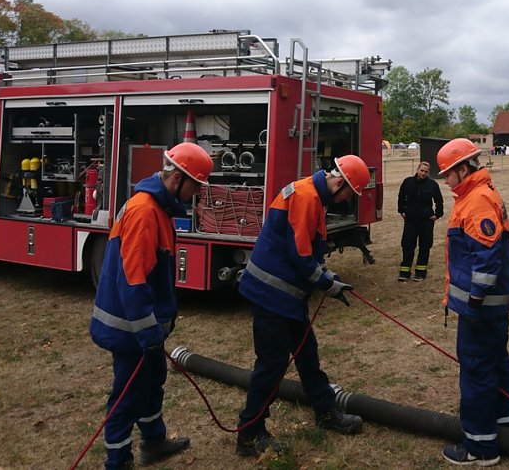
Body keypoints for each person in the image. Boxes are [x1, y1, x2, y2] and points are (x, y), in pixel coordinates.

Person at [236, 155, 370, 457]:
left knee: (307, 354)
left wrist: (326, 274)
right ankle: (249, 433)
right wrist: (326, 284)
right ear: (341, 182)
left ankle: (324, 411)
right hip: (271, 296)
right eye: (350, 193)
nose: (348, 200)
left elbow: (305, 248)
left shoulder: (311, 192)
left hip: (287, 298)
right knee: (271, 365)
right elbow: (299, 256)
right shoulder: (307, 196)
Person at [89, 142, 213, 469]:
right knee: (126, 396)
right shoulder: (145, 211)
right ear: (177, 180)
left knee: (152, 380)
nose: (195, 193)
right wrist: (148, 333)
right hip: (130, 328)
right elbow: (134, 280)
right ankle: (117, 461)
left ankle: (154, 441)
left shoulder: (158, 207)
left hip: (143, 328)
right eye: (195, 187)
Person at [436, 138, 509, 466]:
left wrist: (473, 303)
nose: (445, 180)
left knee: (476, 368)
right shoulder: (474, 195)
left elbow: (486, 260)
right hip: (488, 306)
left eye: (447, 174)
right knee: (495, 362)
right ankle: (503, 424)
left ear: (463, 168)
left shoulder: (478, 199)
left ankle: (480, 446)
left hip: (481, 308)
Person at [397, 161, 444, 281]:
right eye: (422, 170)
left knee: (425, 246)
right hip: (411, 220)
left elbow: (439, 200)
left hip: (426, 220)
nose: (423, 173)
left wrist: (438, 214)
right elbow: (401, 197)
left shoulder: (432, 184)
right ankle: (404, 272)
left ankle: (420, 272)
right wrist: (401, 210)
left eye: (426, 172)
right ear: (418, 169)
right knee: (407, 245)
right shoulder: (408, 182)